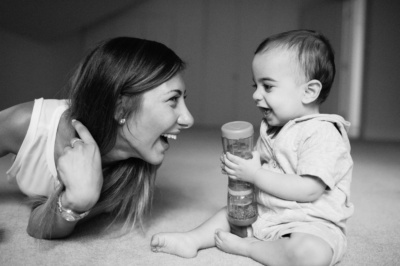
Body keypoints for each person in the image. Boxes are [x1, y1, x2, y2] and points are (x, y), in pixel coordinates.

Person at [151, 29, 354, 266]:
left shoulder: (323, 132)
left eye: (267, 86)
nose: (256, 95)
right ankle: (191, 240)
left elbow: (309, 189)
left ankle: (251, 248)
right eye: (255, 85)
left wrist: (255, 174)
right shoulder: (273, 127)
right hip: (267, 215)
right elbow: (263, 163)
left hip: (310, 225)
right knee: (229, 214)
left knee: (310, 254)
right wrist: (241, 165)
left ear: (309, 92)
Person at [0, 37, 194, 239]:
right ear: (120, 108)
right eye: (173, 99)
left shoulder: (134, 171)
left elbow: (38, 226)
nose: (188, 119)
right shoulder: (29, 123)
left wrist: (76, 202)